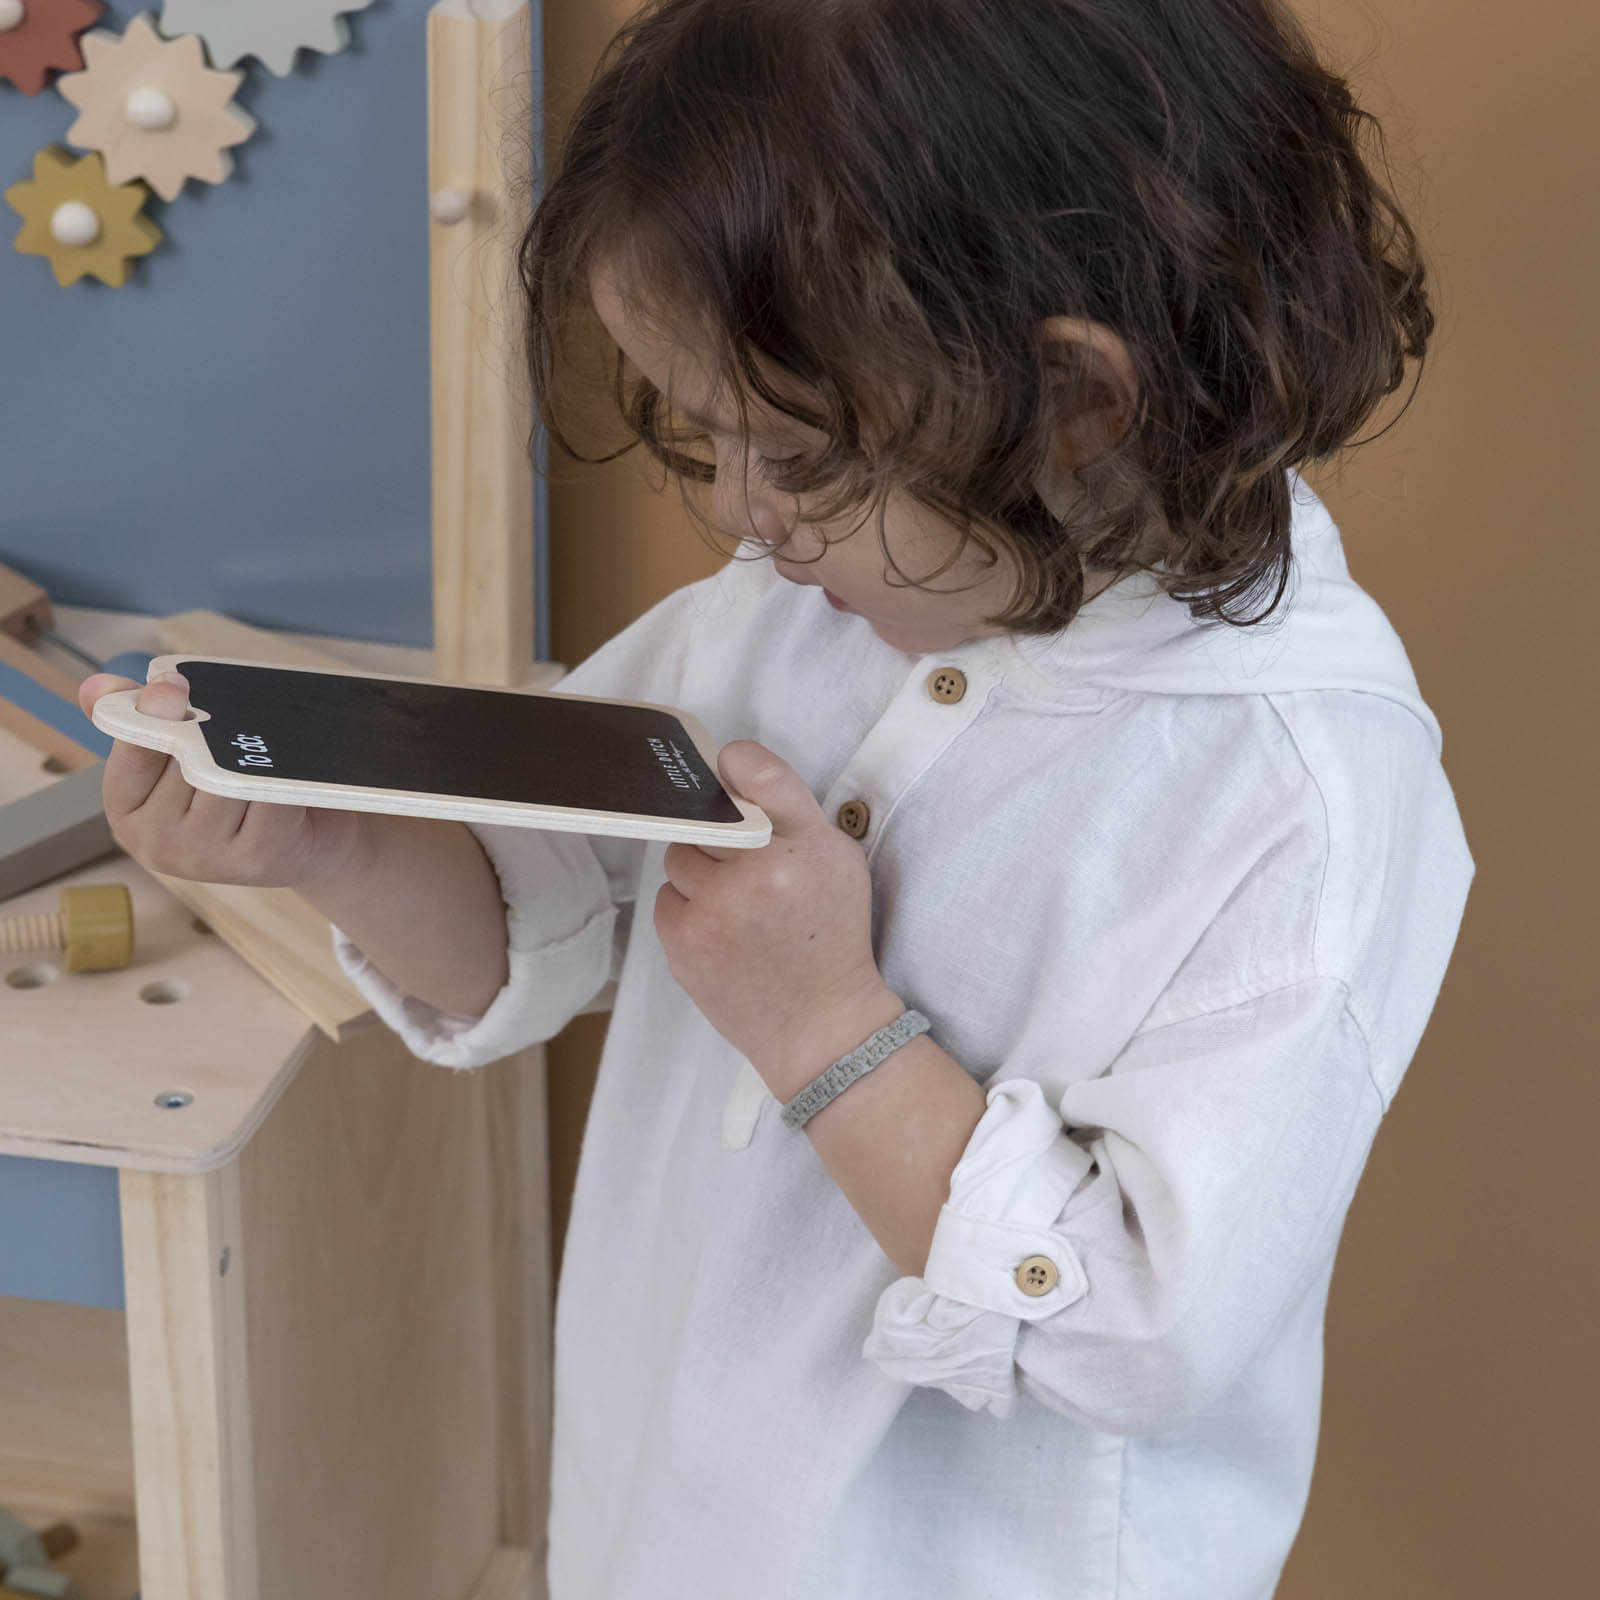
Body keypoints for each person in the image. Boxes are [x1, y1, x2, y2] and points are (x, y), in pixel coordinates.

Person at [80, 1, 1474, 1594]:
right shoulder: (785, 608)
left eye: (799, 457)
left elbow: (1139, 1328)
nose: (741, 518)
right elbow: (537, 928)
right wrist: (340, 845)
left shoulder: (1298, 793)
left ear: (1078, 401)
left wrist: (825, 1026)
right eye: (706, 439)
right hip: (664, 1511)